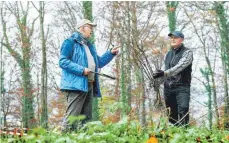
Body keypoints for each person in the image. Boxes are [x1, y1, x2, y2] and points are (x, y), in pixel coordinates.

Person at [59, 19, 119, 132]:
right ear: (82, 28)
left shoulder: (89, 46)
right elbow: (63, 61)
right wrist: (81, 70)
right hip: (76, 86)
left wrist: (110, 53)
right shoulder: (70, 42)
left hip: (89, 85)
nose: (92, 30)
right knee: (72, 118)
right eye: (90, 27)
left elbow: (99, 62)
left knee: (87, 120)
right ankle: (64, 139)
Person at [153, 31, 193, 126]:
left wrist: (165, 73)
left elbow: (180, 67)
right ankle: (174, 134)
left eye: (175, 37)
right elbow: (164, 70)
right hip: (168, 88)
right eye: (171, 37)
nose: (173, 39)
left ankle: (185, 133)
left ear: (182, 40)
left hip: (182, 87)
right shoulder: (168, 54)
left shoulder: (187, 53)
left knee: (183, 109)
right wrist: (157, 81)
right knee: (171, 114)